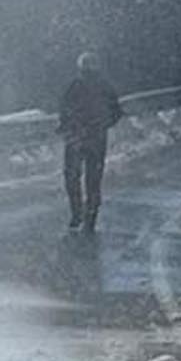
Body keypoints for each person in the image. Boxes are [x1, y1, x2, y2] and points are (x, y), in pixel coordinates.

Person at [58, 51, 123, 232]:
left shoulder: (74, 86)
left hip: (75, 139)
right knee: (93, 179)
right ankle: (91, 215)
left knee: (72, 177)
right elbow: (116, 112)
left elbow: (64, 111)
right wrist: (103, 125)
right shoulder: (106, 87)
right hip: (96, 139)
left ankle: (76, 213)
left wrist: (67, 128)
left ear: (80, 67)